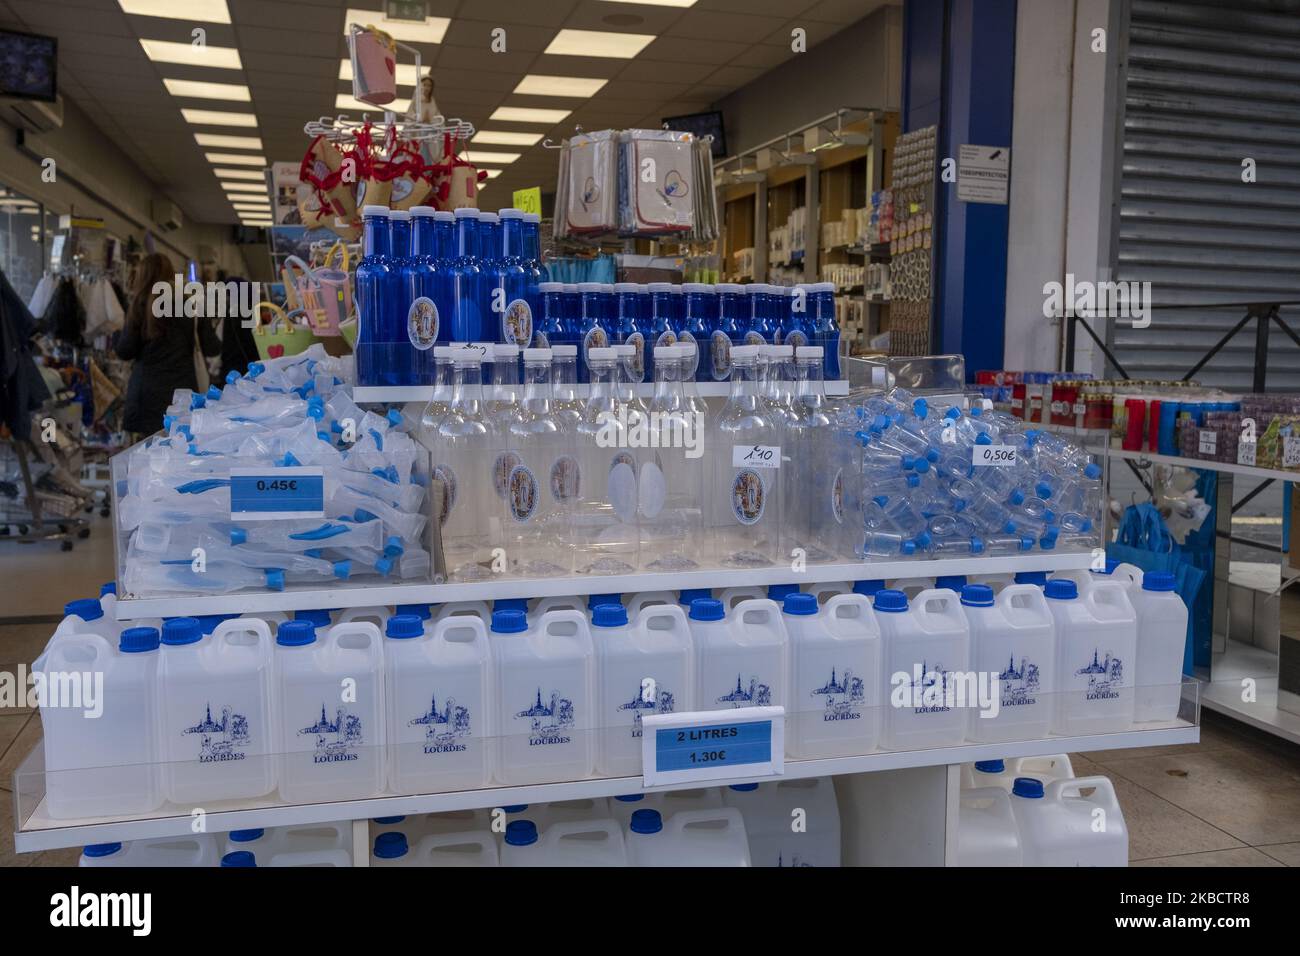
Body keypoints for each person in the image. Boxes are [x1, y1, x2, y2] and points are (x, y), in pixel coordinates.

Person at [116, 252, 221, 435]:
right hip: (182, 393)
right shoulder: (191, 304)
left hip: (146, 395)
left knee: (146, 454)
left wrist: (118, 334)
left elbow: (125, 350)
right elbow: (213, 347)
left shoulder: (139, 305)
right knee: (180, 449)